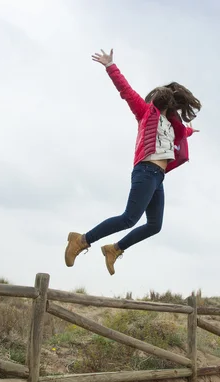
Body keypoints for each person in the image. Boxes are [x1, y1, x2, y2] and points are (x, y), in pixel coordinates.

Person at [64, 48, 201, 276]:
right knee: (129, 218)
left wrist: (190, 131)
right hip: (146, 171)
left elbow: (180, 133)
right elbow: (126, 91)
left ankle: (114, 249)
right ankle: (81, 240)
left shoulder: (172, 124)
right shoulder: (146, 113)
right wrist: (111, 66)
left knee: (155, 225)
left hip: (158, 178)